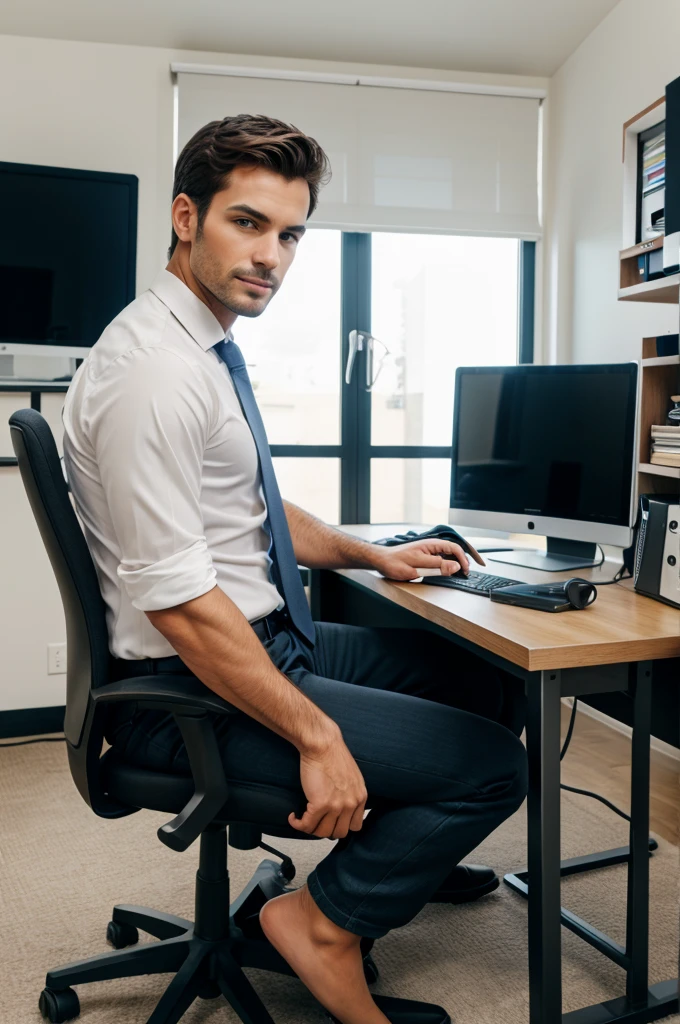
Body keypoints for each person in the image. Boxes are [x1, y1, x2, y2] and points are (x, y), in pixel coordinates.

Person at [61, 114, 528, 1024]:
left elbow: (254, 513)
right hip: (189, 685)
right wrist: (319, 738)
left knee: (484, 680)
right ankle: (318, 923)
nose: (271, 255)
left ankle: (403, 860)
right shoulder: (155, 373)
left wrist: (376, 557)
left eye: (289, 234)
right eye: (248, 223)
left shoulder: (200, 345)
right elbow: (184, 610)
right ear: (187, 218)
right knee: (489, 768)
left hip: (266, 639)